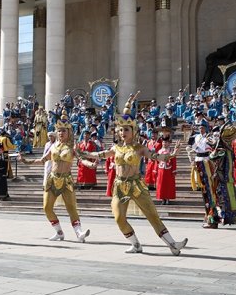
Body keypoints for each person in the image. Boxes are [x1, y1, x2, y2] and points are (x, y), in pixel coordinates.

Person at [76, 95, 188, 255]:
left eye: (126, 129)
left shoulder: (140, 148)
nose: (123, 132)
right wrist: (84, 153)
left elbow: (155, 156)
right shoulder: (116, 148)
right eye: (121, 129)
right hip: (120, 186)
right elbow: (101, 154)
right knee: (118, 217)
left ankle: (172, 244)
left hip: (136, 185)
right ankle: (135, 244)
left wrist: (171, 155)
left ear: (134, 131)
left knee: (152, 215)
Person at [18, 111, 90, 243]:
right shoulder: (53, 147)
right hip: (52, 179)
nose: (61, 133)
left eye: (64, 131)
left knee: (71, 207)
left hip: (66, 180)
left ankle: (79, 233)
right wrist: (25, 161)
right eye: (59, 131)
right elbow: (42, 160)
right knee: (47, 207)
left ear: (69, 132)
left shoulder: (72, 147)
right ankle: (59, 231)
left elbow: (81, 159)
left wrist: (90, 164)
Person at [156, 137, 176, 205]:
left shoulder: (171, 151)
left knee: (168, 184)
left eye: (166, 142)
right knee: (161, 185)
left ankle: (167, 198)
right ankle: (162, 199)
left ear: (169, 143)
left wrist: (174, 170)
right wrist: (156, 170)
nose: (164, 143)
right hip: (161, 169)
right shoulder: (159, 151)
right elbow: (157, 161)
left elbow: (173, 161)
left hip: (168, 169)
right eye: (163, 142)